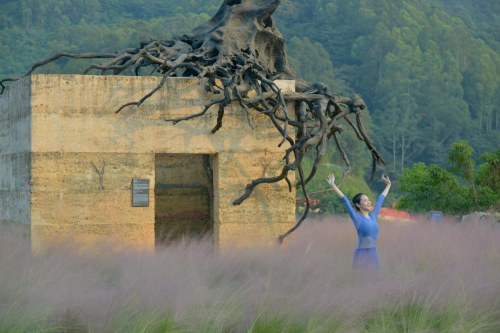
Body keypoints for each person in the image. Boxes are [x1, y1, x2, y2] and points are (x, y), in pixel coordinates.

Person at [326, 173, 391, 271]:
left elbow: (380, 199)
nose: (369, 202)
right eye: (365, 201)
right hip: (362, 255)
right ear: (358, 204)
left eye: (368, 200)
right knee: (361, 282)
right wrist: (333, 185)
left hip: (373, 254)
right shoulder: (357, 218)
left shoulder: (373, 216)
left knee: (374, 282)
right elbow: (345, 201)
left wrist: (388, 185)